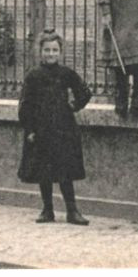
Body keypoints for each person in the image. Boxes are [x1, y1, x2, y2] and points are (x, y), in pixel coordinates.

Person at [18, 29, 92, 226]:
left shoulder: (66, 73)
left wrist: (73, 106)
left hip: (63, 129)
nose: (51, 54)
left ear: (60, 52)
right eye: (47, 50)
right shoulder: (33, 75)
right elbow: (25, 105)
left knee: (65, 171)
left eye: (54, 50)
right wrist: (30, 130)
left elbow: (84, 92)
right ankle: (47, 210)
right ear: (40, 51)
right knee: (44, 171)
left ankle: (72, 211)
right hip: (41, 130)